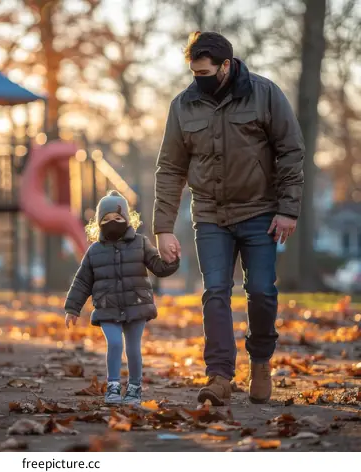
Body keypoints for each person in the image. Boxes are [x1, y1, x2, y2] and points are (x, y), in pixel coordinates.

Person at [153, 32, 304, 406]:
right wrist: (162, 228)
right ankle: (219, 376)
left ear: (226, 65)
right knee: (215, 293)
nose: (198, 80)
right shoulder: (183, 105)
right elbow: (170, 169)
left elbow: (290, 150)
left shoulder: (264, 94)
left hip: (260, 213)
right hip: (210, 216)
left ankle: (261, 362)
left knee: (262, 292)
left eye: (205, 72)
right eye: (194, 73)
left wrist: (288, 208)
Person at [64, 190, 180, 405]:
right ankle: (114, 385)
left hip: (136, 304)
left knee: (133, 347)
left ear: (128, 220)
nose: (112, 223)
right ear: (98, 223)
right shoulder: (94, 251)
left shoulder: (141, 243)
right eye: (106, 219)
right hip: (107, 306)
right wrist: (73, 308)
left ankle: (134, 387)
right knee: (115, 343)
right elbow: (82, 281)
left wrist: (171, 260)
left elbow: (158, 267)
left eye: (118, 218)